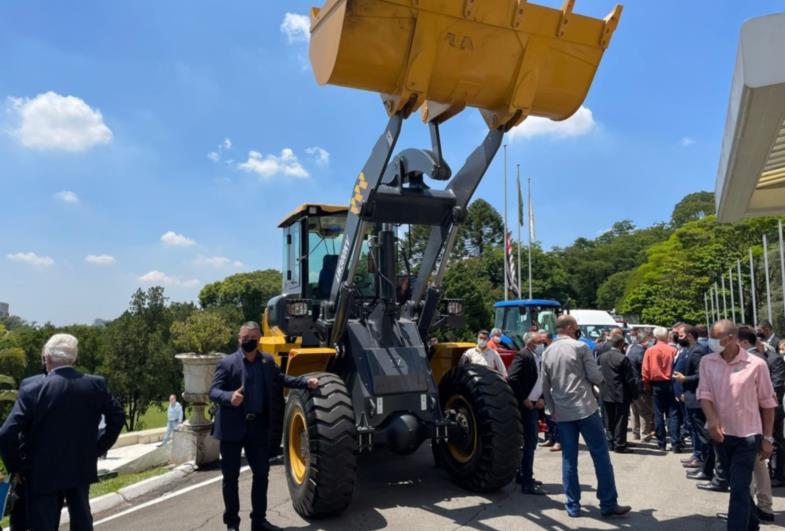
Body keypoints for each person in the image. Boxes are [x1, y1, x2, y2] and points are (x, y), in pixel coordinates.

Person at [0, 333, 125, 530]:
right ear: (73, 358)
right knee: (82, 519)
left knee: (43, 524)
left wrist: (17, 468)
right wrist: (97, 448)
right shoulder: (95, 384)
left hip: (41, 472)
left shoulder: (32, 388)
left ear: (47, 358)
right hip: (80, 465)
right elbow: (117, 417)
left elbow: (6, 433)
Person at [210, 322, 320, 531]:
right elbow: (213, 391)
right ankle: (232, 524)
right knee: (230, 479)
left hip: (257, 427)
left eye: (252, 337)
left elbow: (281, 379)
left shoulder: (267, 362)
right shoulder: (226, 363)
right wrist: (229, 396)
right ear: (239, 338)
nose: (248, 341)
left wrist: (306, 382)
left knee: (261, 475)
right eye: (245, 337)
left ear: (259, 339)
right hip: (232, 429)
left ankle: (258, 521)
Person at [541, 315, 630, 518]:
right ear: (571, 328)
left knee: (569, 460)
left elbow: (545, 385)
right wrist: (603, 384)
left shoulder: (547, 351)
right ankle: (608, 503)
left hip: (562, 412)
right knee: (600, 456)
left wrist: (551, 409)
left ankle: (572, 506)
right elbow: (595, 377)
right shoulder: (580, 347)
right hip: (585, 408)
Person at [698, 320, 777, 531]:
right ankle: (751, 523)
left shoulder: (756, 364)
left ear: (731, 339)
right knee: (737, 485)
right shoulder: (708, 362)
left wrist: (768, 438)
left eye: (717, 338)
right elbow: (704, 394)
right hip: (721, 436)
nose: (712, 342)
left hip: (748, 436)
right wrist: (712, 419)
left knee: (739, 489)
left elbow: (768, 403)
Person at [737, 327, 775, 522]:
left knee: (751, 467)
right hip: (762, 421)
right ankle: (765, 507)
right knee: (760, 466)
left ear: (743, 342)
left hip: (753, 423)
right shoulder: (764, 358)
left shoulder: (753, 363)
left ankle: (751, 508)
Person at [508, 332, 547, 495]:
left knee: (531, 442)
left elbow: (543, 380)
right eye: (539, 342)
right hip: (525, 406)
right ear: (530, 343)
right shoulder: (522, 356)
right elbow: (513, 378)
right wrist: (524, 398)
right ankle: (527, 482)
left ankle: (523, 475)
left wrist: (542, 398)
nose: (542, 344)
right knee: (529, 442)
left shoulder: (540, 357)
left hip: (536, 404)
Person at [673, 325, 711, 470]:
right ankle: (698, 457)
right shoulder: (689, 349)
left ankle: (704, 464)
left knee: (702, 434)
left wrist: (684, 379)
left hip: (696, 398)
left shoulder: (697, 351)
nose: (678, 338)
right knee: (695, 430)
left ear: (689, 335)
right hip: (689, 397)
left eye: (681, 335)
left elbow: (700, 375)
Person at [597, 333, 638, 453]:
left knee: (608, 419)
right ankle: (620, 444)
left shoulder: (602, 357)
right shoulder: (622, 358)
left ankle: (611, 442)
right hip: (621, 393)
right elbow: (629, 379)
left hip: (605, 392)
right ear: (621, 344)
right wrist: (634, 394)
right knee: (621, 419)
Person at [642, 327, 679, 451]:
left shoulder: (650, 351)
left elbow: (645, 371)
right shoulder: (673, 350)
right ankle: (675, 443)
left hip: (656, 384)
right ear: (666, 336)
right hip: (671, 383)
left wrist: (647, 385)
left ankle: (661, 443)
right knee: (672, 414)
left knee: (658, 414)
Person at [627, 329, 655, 441]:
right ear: (646, 339)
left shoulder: (631, 348)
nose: (651, 341)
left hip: (632, 384)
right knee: (645, 411)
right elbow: (645, 369)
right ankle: (645, 434)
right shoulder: (641, 352)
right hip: (640, 385)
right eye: (650, 338)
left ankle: (636, 433)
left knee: (634, 410)